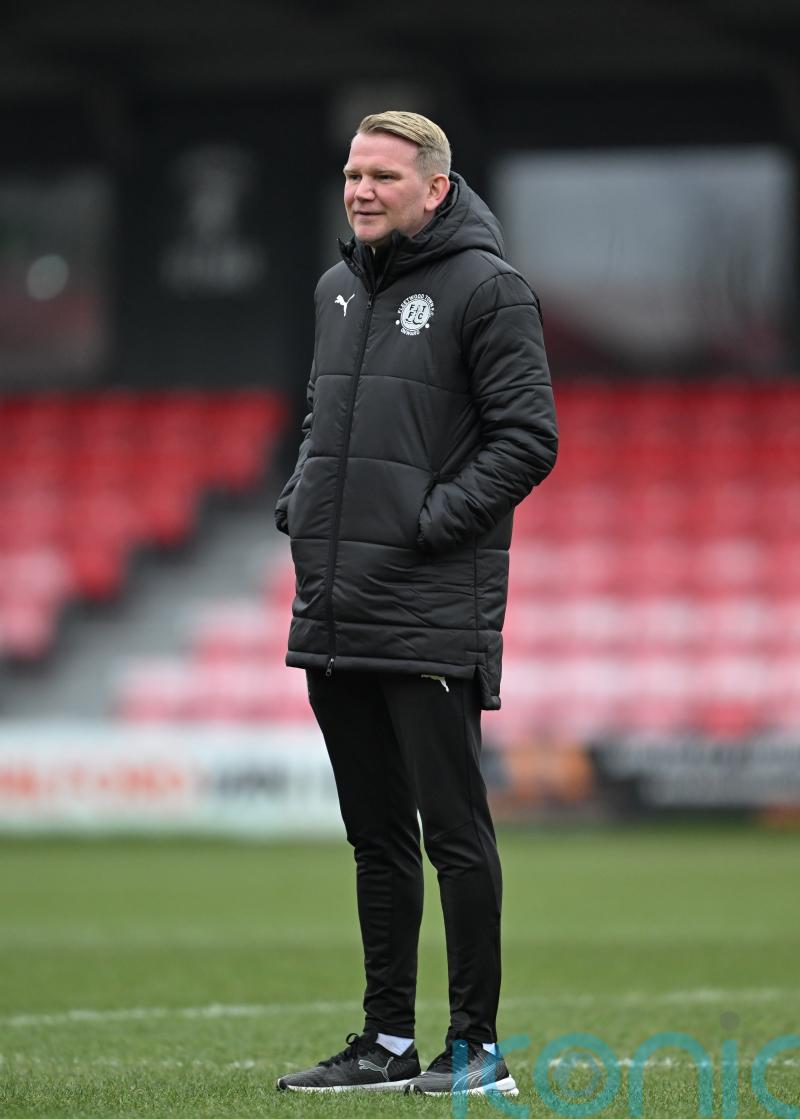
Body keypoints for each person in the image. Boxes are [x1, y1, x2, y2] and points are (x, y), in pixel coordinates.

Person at [274, 110, 558, 1095]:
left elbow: (527, 440)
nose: (360, 189)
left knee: (452, 836)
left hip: (430, 604)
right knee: (374, 838)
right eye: (352, 173)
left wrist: (426, 523)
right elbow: (322, 421)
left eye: (382, 176)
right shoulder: (336, 288)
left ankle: (476, 1051)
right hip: (336, 603)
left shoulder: (489, 290)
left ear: (434, 188)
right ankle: (384, 1044)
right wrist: (301, 505)